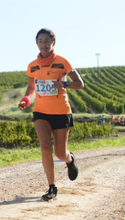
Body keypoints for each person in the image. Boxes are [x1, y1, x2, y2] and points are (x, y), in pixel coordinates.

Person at [18, 28, 84, 201]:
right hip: (40, 111)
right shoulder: (32, 66)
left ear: (53, 42)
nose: (43, 44)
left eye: (47, 41)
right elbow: (31, 88)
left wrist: (64, 84)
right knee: (45, 147)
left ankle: (70, 160)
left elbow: (80, 83)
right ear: (36, 43)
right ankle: (52, 187)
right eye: (40, 41)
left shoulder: (63, 62)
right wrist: (26, 99)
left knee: (60, 154)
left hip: (61, 111)